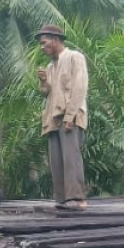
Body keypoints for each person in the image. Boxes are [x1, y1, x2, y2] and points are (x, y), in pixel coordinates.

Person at [35, 24, 89, 211]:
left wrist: (70, 115)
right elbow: (46, 92)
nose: (42, 47)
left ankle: (77, 199)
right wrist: (43, 80)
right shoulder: (51, 65)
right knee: (56, 160)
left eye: (44, 42)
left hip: (70, 117)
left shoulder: (75, 57)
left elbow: (80, 87)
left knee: (71, 158)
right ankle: (62, 199)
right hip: (53, 118)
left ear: (55, 39)